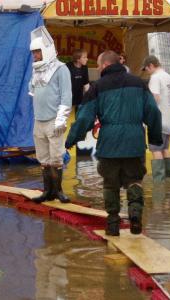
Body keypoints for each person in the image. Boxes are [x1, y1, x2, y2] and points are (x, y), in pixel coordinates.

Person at [65, 50, 162, 236]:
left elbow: (84, 117)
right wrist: (155, 138)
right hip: (135, 142)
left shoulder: (98, 86)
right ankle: (135, 216)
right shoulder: (139, 83)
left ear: (104, 65)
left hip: (109, 144)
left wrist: (71, 139)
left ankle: (113, 225)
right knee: (134, 180)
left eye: (99, 65)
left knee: (110, 184)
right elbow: (153, 112)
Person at [28, 26, 72, 204]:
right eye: (33, 53)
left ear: (46, 51)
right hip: (39, 119)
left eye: (37, 52)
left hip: (54, 119)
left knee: (56, 157)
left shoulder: (61, 69)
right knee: (44, 158)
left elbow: (66, 95)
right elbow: (32, 90)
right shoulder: (36, 69)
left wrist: (61, 119)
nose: (34, 56)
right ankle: (47, 191)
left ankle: (59, 191)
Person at [142, 55, 170, 182]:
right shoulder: (168, 77)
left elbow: (154, 98)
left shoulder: (155, 78)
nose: (147, 72)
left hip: (159, 120)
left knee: (156, 149)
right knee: (165, 148)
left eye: (146, 69)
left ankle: (159, 182)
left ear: (151, 65)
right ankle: (168, 179)